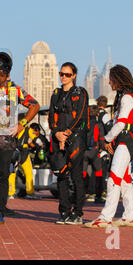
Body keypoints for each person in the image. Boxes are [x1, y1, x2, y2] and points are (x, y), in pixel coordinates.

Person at [85, 65, 133, 228]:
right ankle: (129, 216)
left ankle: (105, 217)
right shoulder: (129, 96)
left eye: (111, 79)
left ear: (118, 79)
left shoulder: (127, 97)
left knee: (113, 178)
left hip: (125, 142)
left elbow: (121, 123)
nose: (109, 82)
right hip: (128, 142)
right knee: (125, 180)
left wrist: (106, 139)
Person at [0, 51, 40, 224]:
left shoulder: (15, 90)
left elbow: (35, 105)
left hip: (7, 141)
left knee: (2, 176)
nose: (2, 77)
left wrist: (22, 124)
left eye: (4, 75)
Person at [48, 62, 89, 225]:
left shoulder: (81, 93)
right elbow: (51, 115)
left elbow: (81, 116)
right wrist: (56, 132)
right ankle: (64, 211)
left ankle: (78, 213)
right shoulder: (56, 93)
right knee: (61, 175)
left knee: (77, 176)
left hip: (76, 138)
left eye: (67, 74)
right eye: (61, 74)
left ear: (74, 76)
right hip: (58, 139)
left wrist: (67, 133)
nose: (63, 77)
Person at [13, 118, 41, 200]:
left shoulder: (12, 128)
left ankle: (10, 193)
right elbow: (36, 138)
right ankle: (30, 192)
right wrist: (41, 144)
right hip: (24, 152)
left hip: (14, 151)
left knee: (12, 172)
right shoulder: (28, 130)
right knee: (28, 173)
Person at [83, 105, 104, 203]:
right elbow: (101, 138)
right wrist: (101, 149)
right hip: (94, 151)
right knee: (99, 173)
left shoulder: (84, 123)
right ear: (97, 114)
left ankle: (81, 195)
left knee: (82, 173)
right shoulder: (98, 124)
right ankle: (98, 196)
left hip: (84, 152)